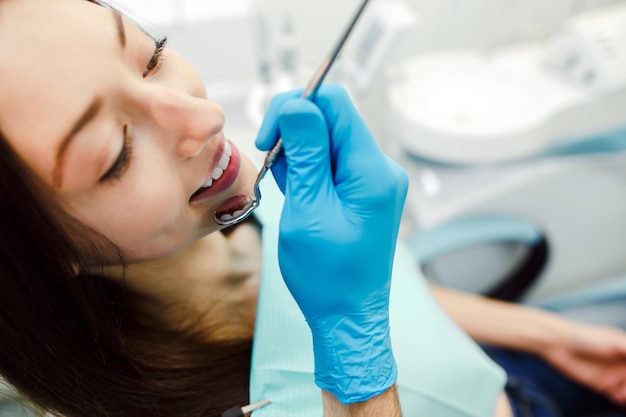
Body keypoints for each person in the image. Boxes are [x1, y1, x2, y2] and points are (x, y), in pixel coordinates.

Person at [1, 1, 626, 417]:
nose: (206, 117)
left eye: (151, 55)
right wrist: (354, 366)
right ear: (40, 261)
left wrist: (553, 338)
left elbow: (390, 296)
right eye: (115, 153)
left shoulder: (230, 216)